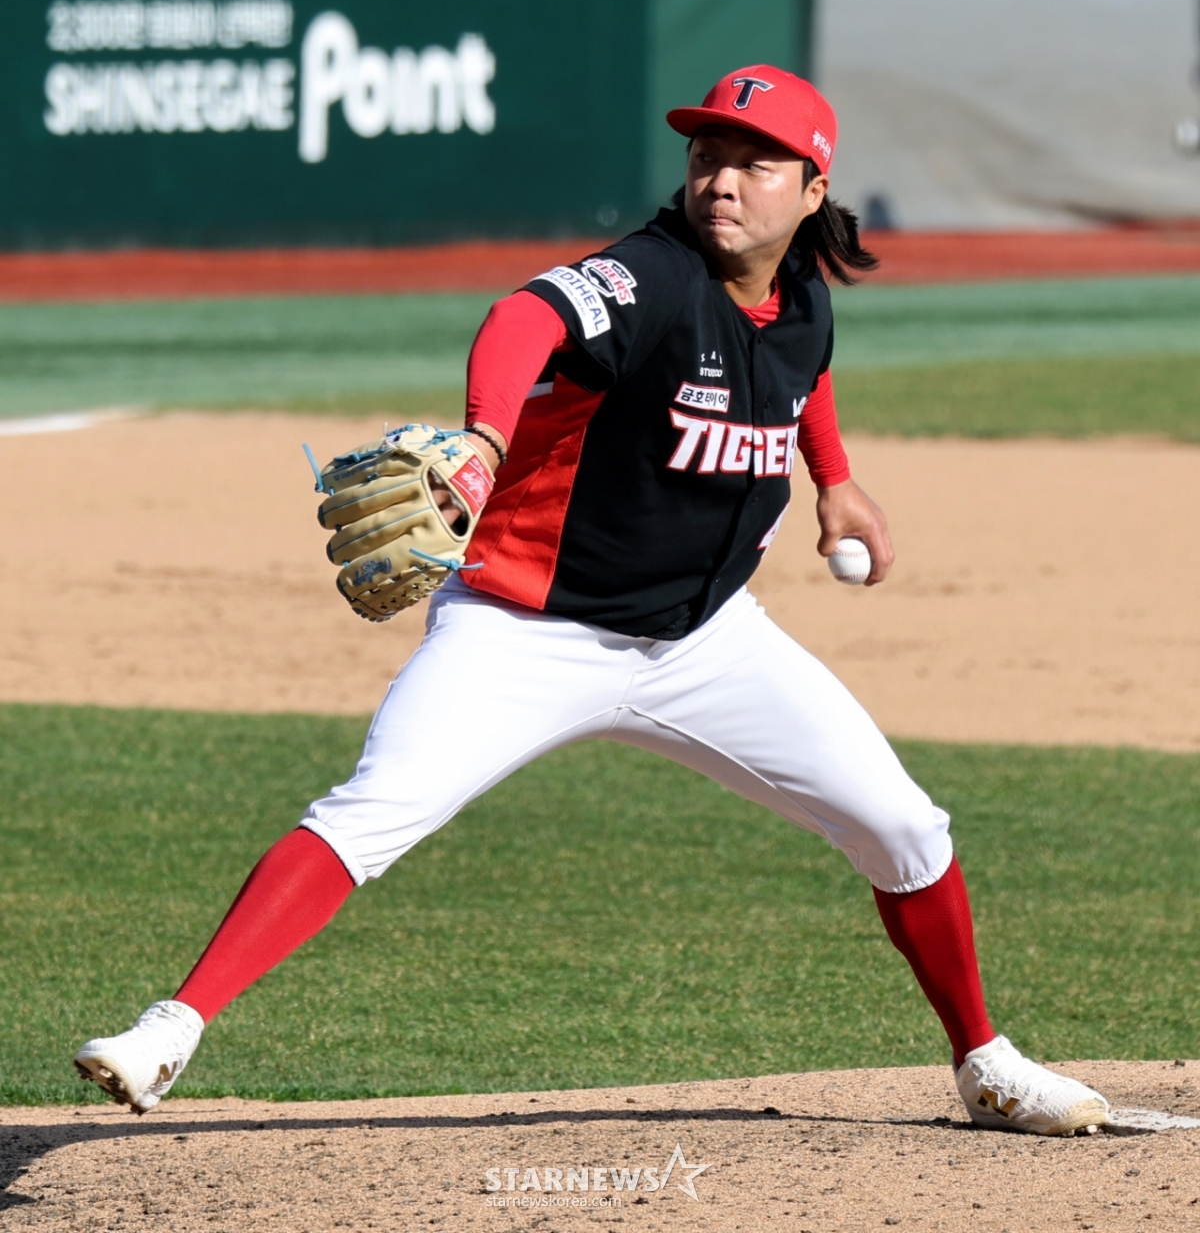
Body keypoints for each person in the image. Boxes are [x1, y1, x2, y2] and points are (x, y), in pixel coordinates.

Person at [75, 66, 1109, 1136]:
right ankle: (168, 1030)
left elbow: (801, 372)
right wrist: (485, 437)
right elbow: (523, 315)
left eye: (755, 163)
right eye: (707, 155)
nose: (721, 181)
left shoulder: (800, 290)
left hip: (706, 643)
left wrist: (835, 479)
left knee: (903, 826)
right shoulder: (650, 277)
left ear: (812, 192)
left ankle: (986, 1063)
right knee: (372, 811)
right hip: (526, 630)